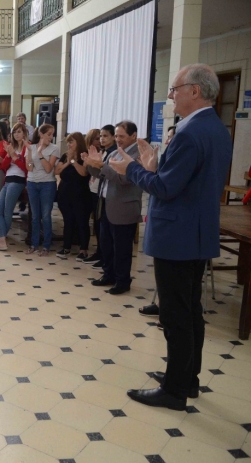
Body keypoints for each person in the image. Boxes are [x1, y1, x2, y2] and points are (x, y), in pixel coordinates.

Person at [109, 63, 232, 411]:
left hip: (178, 236)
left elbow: (165, 188)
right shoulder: (216, 130)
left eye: (175, 89)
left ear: (195, 91)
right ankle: (186, 378)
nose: (171, 96)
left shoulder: (192, 133)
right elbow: (184, 182)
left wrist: (132, 168)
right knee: (190, 311)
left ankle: (175, 391)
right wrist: (153, 165)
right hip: (196, 232)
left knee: (175, 316)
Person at [84, 121, 143, 295]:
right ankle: (108, 274)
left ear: (133, 136)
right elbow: (102, 176)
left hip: (124, 207)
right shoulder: (115, 153)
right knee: (107, 244)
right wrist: (91, 164)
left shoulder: (137, 154)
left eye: (121, 136)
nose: (118, 139)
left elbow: (124, 179)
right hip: (107, 204)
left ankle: (122, 281)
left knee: (122, 248)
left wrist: (102, 166)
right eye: (116, 136)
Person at [0, 123, 29, 251]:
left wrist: (14, 157)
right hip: (8, 180)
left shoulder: (27, 147)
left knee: (7, 211)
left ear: (24, 133)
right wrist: (7, 155)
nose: (16, 134)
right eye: (14, 132)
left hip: (18, 181)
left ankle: (2, 240)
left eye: (19, 132)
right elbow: (4, 166)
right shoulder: (11, 146)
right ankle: (2, 239)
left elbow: (26, 169)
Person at [54, 132, 91, 260]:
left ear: (78, 142)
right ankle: (66, 247)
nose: (69, 145)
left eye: (71, 142)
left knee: (81, 221)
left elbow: (84, 173)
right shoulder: (65, 156)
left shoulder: (85, 155)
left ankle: (83, 249)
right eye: (68, 142)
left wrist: (74, 161)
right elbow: (57, 171)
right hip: (64, 194)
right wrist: (67, 162)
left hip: (80, 194)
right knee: (68, 220)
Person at [83, 127, 114, 267]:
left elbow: (106, 173)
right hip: (98, 191)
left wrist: (95, 164)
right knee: (98, 224)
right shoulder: (105, 151)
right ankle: (100, 254)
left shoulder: (113, 153)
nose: (102, 139)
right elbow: (97, 174)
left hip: (107, 194)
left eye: (105, 136)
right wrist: (90, 163)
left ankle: (104, 257)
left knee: (104, 228)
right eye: (100, 136)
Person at [25, 124, 58, 256]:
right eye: (49, 134)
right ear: (41, 134)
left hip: (47, 184)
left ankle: (46, 246)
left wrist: (39, 154)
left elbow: (49, 169)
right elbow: (29, 168)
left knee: (46, 216)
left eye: (52, 134)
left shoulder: (54, 148)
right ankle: (34, 244)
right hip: (32, 183)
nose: (51, 137)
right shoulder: (31, 147)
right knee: (35, 216)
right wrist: (29, 154)